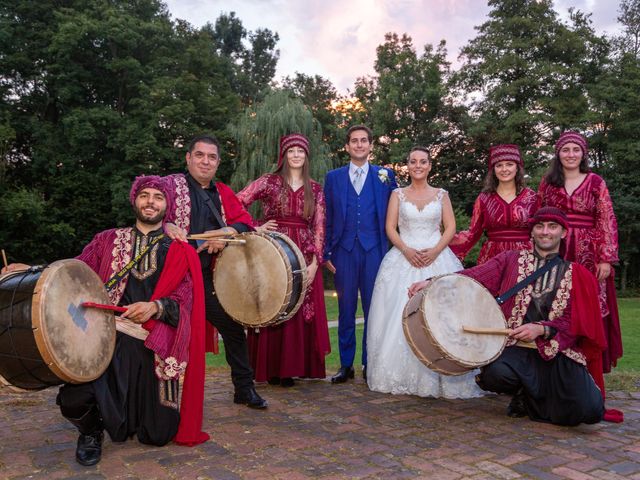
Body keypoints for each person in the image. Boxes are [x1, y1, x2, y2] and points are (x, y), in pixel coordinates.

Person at [3, 176, 209, 465]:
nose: (150, 201)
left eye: (158, 197)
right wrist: (35, 269)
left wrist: (155, 307)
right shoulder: (107, 239)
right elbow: (75, 272)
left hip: (154, 340)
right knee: (75, 397)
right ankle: (90, 432)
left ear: (168, 205)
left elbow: (186, 296)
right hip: (107, 334)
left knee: (159, 433)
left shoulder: (178, 248)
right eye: (145, 195)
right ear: (134, 200)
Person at [409, 207, 606, 426]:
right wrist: (433, 281)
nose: (545, 232)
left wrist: (541, 329)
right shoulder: (510, 260)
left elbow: (575, 322)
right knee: (496, 374)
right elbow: (474, 278)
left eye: (552, 227)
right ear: (531, 232)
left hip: (556, 351)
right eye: (539, 226)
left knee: (591, 410)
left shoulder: (578, 274)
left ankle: (533, 397)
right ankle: (523, 391)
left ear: (564, 232)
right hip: (516, 350)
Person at [366, 146, 483, 398]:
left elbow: (450, 227)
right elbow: (390, 227)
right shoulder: (397, 194)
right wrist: (406, 250)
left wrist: (436, 251)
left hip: (437, 257)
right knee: (398, 313)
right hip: (403, 257)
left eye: (423, 162)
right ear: (407, 166)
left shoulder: (441, 195)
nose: (418, 165)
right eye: (413, 162)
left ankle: (445, 371)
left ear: (430, 166)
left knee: (442, 314)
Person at [164, 134, 268, 409]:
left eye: (211, 157)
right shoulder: (169, 186)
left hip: (209, 277)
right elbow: (149, 212)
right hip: (173, 278)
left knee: (233, 329)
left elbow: (246, 223)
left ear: (218, 163)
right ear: (188, 158)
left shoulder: (222, 192)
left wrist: (225, 233)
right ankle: (161, 396)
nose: (205, 161)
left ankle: (244, 389)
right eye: (199, 155)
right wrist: (167, 227)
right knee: (166, 333)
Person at [236, 133, 330, 387]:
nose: (296, 155)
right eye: (291, 151)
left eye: (301, 151)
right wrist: (255, 226)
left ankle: (293, 368)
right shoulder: (269, 182)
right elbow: (235, 202)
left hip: (304, 252)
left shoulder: (316, 189)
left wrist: (315, 263)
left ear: (306, 156)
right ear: (284, 155)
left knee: (299, 307)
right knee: (274, 302)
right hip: (274, 250)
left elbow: (320, 228)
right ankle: (271, 368)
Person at [538, 131, 622, 375]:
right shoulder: (548, 183)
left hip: (588, 251)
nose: (571, 155)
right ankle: (554, 361)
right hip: (556, 249)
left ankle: (588, 365)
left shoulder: (595, 182)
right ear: (558, 154)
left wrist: (606, 257)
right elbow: (539, 217)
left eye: (576, 150)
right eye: (566, 150)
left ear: (583, 153)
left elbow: (606, 219)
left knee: (588, 305)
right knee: (553, 302)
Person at [324, 125, 397, 383]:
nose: (359, 145)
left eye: (363, 140)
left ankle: (369, 363)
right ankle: (346, 365)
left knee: (372, 309)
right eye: (354, 141)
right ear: (347, 146)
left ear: (370, 145)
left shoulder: (385, 176)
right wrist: (326, 253)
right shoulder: (333, 177)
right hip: (343, 250)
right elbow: (327, 217)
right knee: (345, 309)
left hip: (374, 250)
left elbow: (395, 215)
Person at [449, 144, 539, 264]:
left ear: (517, 168)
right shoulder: (484, 199)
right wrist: (441, 243)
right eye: (499, 165)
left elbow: (542, 229)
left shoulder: (532, 197)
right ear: (493, 170)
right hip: (492, 259)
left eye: (509, 164)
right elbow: (472, 234)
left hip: (525, 258)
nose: (504, 169)